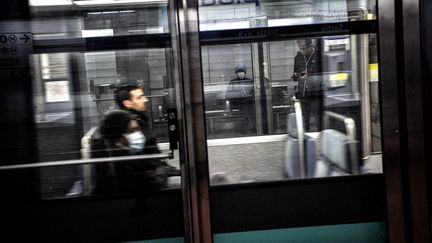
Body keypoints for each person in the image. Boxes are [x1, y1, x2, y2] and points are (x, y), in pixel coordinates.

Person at [113, 83, 180, 174]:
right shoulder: (130, 125)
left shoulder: (138, 119)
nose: (145, 100)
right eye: (139, 98)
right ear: (127, 103)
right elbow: (142, 161)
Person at [99, 109, 168, 193]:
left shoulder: (127, 155)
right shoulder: (122, 166)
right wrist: (161, 169)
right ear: (118, 138)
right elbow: (156, 184)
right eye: (132, 131)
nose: (139, 134)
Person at [291, 39, 323, 132]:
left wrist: (309, 76)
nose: (302, 51)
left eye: (304, 48)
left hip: (316, 92)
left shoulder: (318, 56)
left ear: (310, 46)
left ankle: (319, 133)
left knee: (318, 116)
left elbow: (323, 73)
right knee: (304, 117)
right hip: (302, 92)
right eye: (300, 48)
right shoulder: (298, 56)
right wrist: (295, 76)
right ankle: (305, 134)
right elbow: (296, 72)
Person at [225, 64, 256, 134]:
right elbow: (228, 94)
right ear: (237, 73)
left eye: (242, 71)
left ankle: (248, 128)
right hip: (238, 103)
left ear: (245, 72)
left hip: (249, 103)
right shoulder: (232, 82)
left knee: (248, 109)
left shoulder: (250, 81)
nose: (241, 73)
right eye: (239, 72)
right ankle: (247, 128)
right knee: (246, 110)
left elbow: (254, 93)